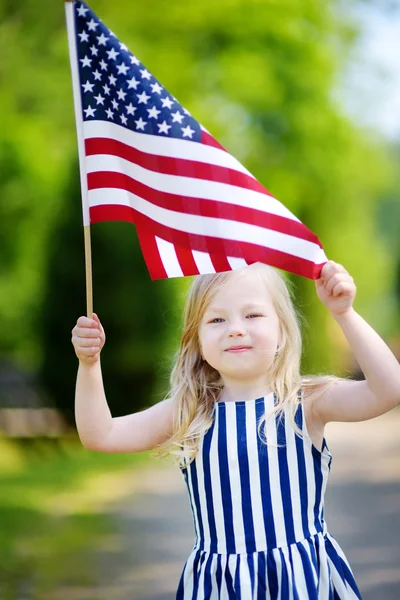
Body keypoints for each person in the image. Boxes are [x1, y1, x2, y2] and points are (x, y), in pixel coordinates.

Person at [71, 260, 400, 599]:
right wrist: (89, 363)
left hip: (302, 580)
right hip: (221, 586)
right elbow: (100, 434)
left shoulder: (304, 403)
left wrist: (343, 313)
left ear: (282, 329)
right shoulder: (190, 410)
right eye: (216, 319)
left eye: (253, 315)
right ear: (196, 340)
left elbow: (388, 389)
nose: (235, 329)